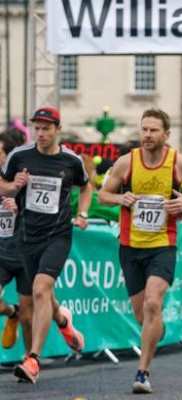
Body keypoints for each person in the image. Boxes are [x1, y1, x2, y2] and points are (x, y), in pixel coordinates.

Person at [99, 108, 182, 394]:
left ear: (166, 134)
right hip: (130, 246)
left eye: (153, 130)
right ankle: (154, 332)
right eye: (144, 129)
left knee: (153, 303)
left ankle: (142, 372)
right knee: (143, 316)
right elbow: (103, 194)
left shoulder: (179, 163)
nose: (147, 135)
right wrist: (119, 197)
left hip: (163, 244)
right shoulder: (127, 162)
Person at [0, 107, 90, 384]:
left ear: (57, 129)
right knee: (43, 295)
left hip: (57, 235)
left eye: (46, 128)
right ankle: (63, 321)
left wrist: (83, 213)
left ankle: (33, 359)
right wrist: (13, 186)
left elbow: (86, 185)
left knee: (40, 288)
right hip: (27, 236)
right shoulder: (20, 155)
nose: (40, 133)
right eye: (37, 128)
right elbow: (3, 184)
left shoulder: (71, 160)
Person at [0, 131, 32, 352]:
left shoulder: (30, 178)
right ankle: (12, 312)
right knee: (21, 313)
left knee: (29, 318)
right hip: (1, 253)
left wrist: (21, 208)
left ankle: (31, 359)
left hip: (26, 254)